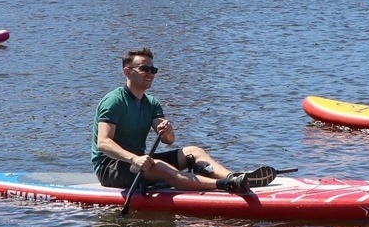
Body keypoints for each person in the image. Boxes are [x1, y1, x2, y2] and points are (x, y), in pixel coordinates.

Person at [92, 47, 275, 194]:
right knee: (159, 166)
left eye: (153, 70)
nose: (150, 73)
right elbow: (103, 143)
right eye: (144, 69)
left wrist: (167, 131)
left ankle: (236, 178)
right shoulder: (114, 101)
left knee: (194, 152)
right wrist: (134, 159)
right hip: (111, 168)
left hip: (140, 161)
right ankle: (223, 185)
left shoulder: (151, 103)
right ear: (127, 71)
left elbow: (169, 140)